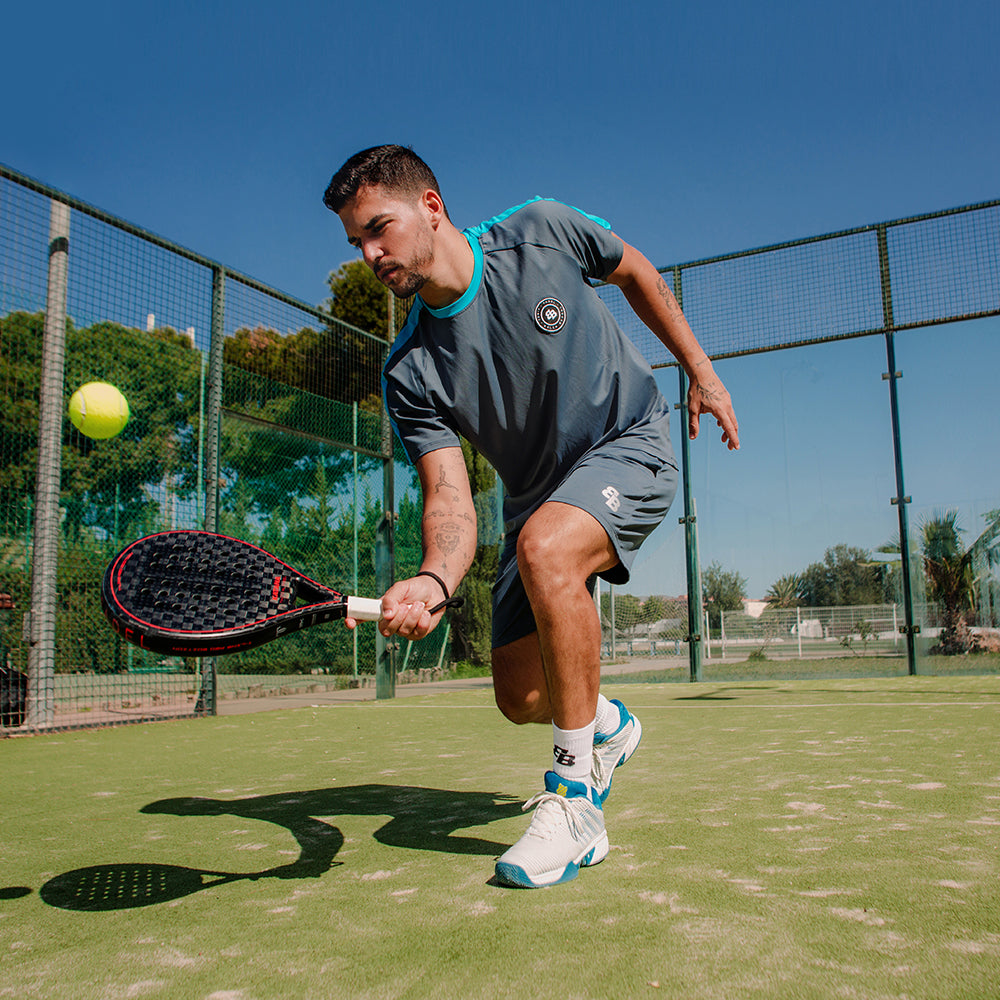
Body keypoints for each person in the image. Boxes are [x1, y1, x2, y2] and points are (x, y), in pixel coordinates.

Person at [323, 145, 739, 888]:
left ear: (431, 206)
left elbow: (638, 271)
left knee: (550, 547)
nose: (370, 253)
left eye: (378, 229)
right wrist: (432, 580)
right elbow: (448, 496)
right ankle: (606, 726)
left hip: (629, 442)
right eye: (357, 242)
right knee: (521, 696)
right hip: (533, 504)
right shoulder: (409, 370)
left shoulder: (541, 230)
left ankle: (576, 803)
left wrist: (701, 373)